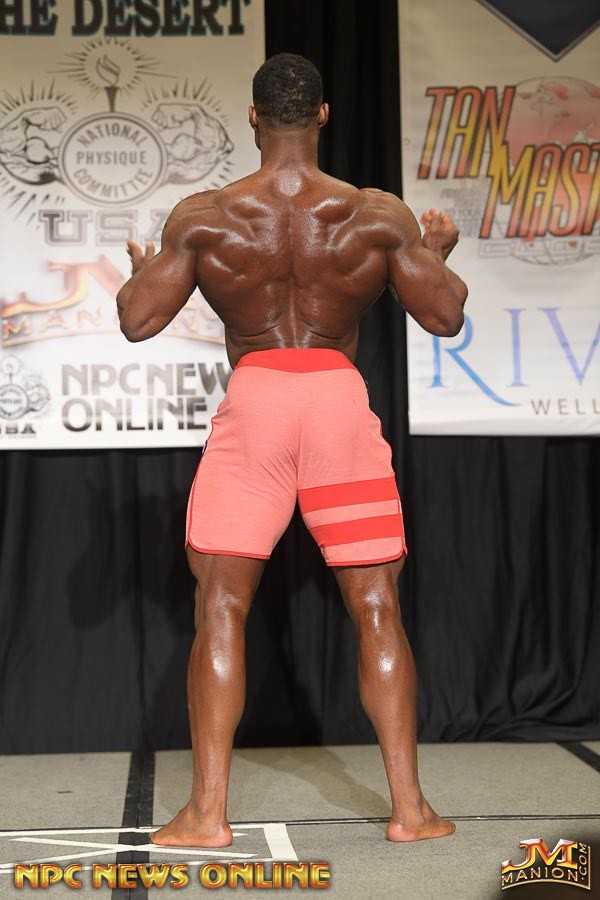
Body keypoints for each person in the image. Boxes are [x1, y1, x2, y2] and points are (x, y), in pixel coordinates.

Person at [116, 53, 467, 847]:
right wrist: (436, 254)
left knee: (221, 604)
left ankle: (207, 815)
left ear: (252, 117)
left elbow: (137, 321)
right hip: (337, 402)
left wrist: (138, 275)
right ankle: (411, 811)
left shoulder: (205, 217)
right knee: (375, 604)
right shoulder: (375, 215)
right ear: (323, 115)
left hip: (259, 403)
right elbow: (445, 316)